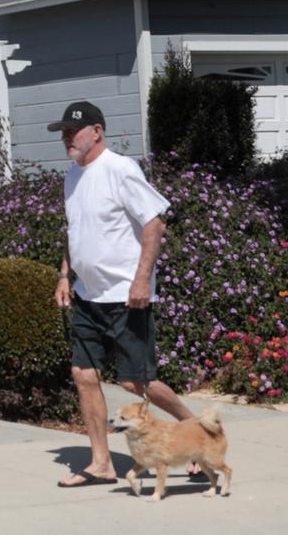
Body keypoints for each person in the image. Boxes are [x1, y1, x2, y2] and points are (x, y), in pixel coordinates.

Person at [52, 100, 196, 488]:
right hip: (88, 296)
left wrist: (140, 280)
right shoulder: (72, 176)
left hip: (126, 297)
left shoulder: (120, 169)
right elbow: (74, 231)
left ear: (96, 131)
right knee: (83, 375)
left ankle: (194, 429)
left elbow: (154, 225)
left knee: (136, 383)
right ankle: (101, 463)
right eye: (63, 131)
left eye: (73, 130)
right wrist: (65, 274)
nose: (66, 137)